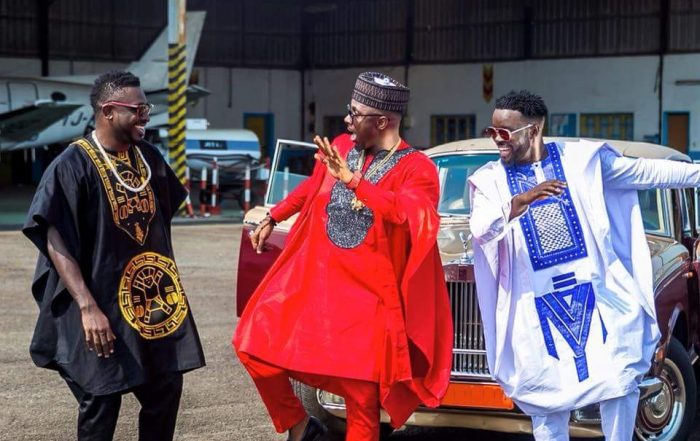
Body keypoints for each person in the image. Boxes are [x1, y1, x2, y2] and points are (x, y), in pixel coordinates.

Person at [233, 72, 453, 441]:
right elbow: (313, 185)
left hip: (367, 305)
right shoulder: (340, 146)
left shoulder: (417, 168)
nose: (347, 120)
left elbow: (403, 213)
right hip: (315, 289)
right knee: (251, 346)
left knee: (361, 407)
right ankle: (301, 427)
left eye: (355, 113)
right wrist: (275, 215)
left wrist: (353, 180)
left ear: (381, 121)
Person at [469, 90, 700, 441]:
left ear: (533, 130)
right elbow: (482, 228)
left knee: (619, 379)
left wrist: (697, 174)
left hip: (597, 299)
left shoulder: (582, 162)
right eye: (492, 131)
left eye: (505, 132)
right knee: (548, 402)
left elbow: (643, 171)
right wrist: (520, 201)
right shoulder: (490, 181)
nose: (497, 139)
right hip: (534, 309)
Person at [23, 70, 205, 441]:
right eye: (137, 109)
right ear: (108, 111)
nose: (145, 115)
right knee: (102, 398)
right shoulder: (71, 166)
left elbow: (158, 222)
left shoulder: (149, 159)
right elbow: (55, 240)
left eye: (146, 108)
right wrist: (87, 307)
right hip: (96, 306)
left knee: (166, 387)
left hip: (148, 304)